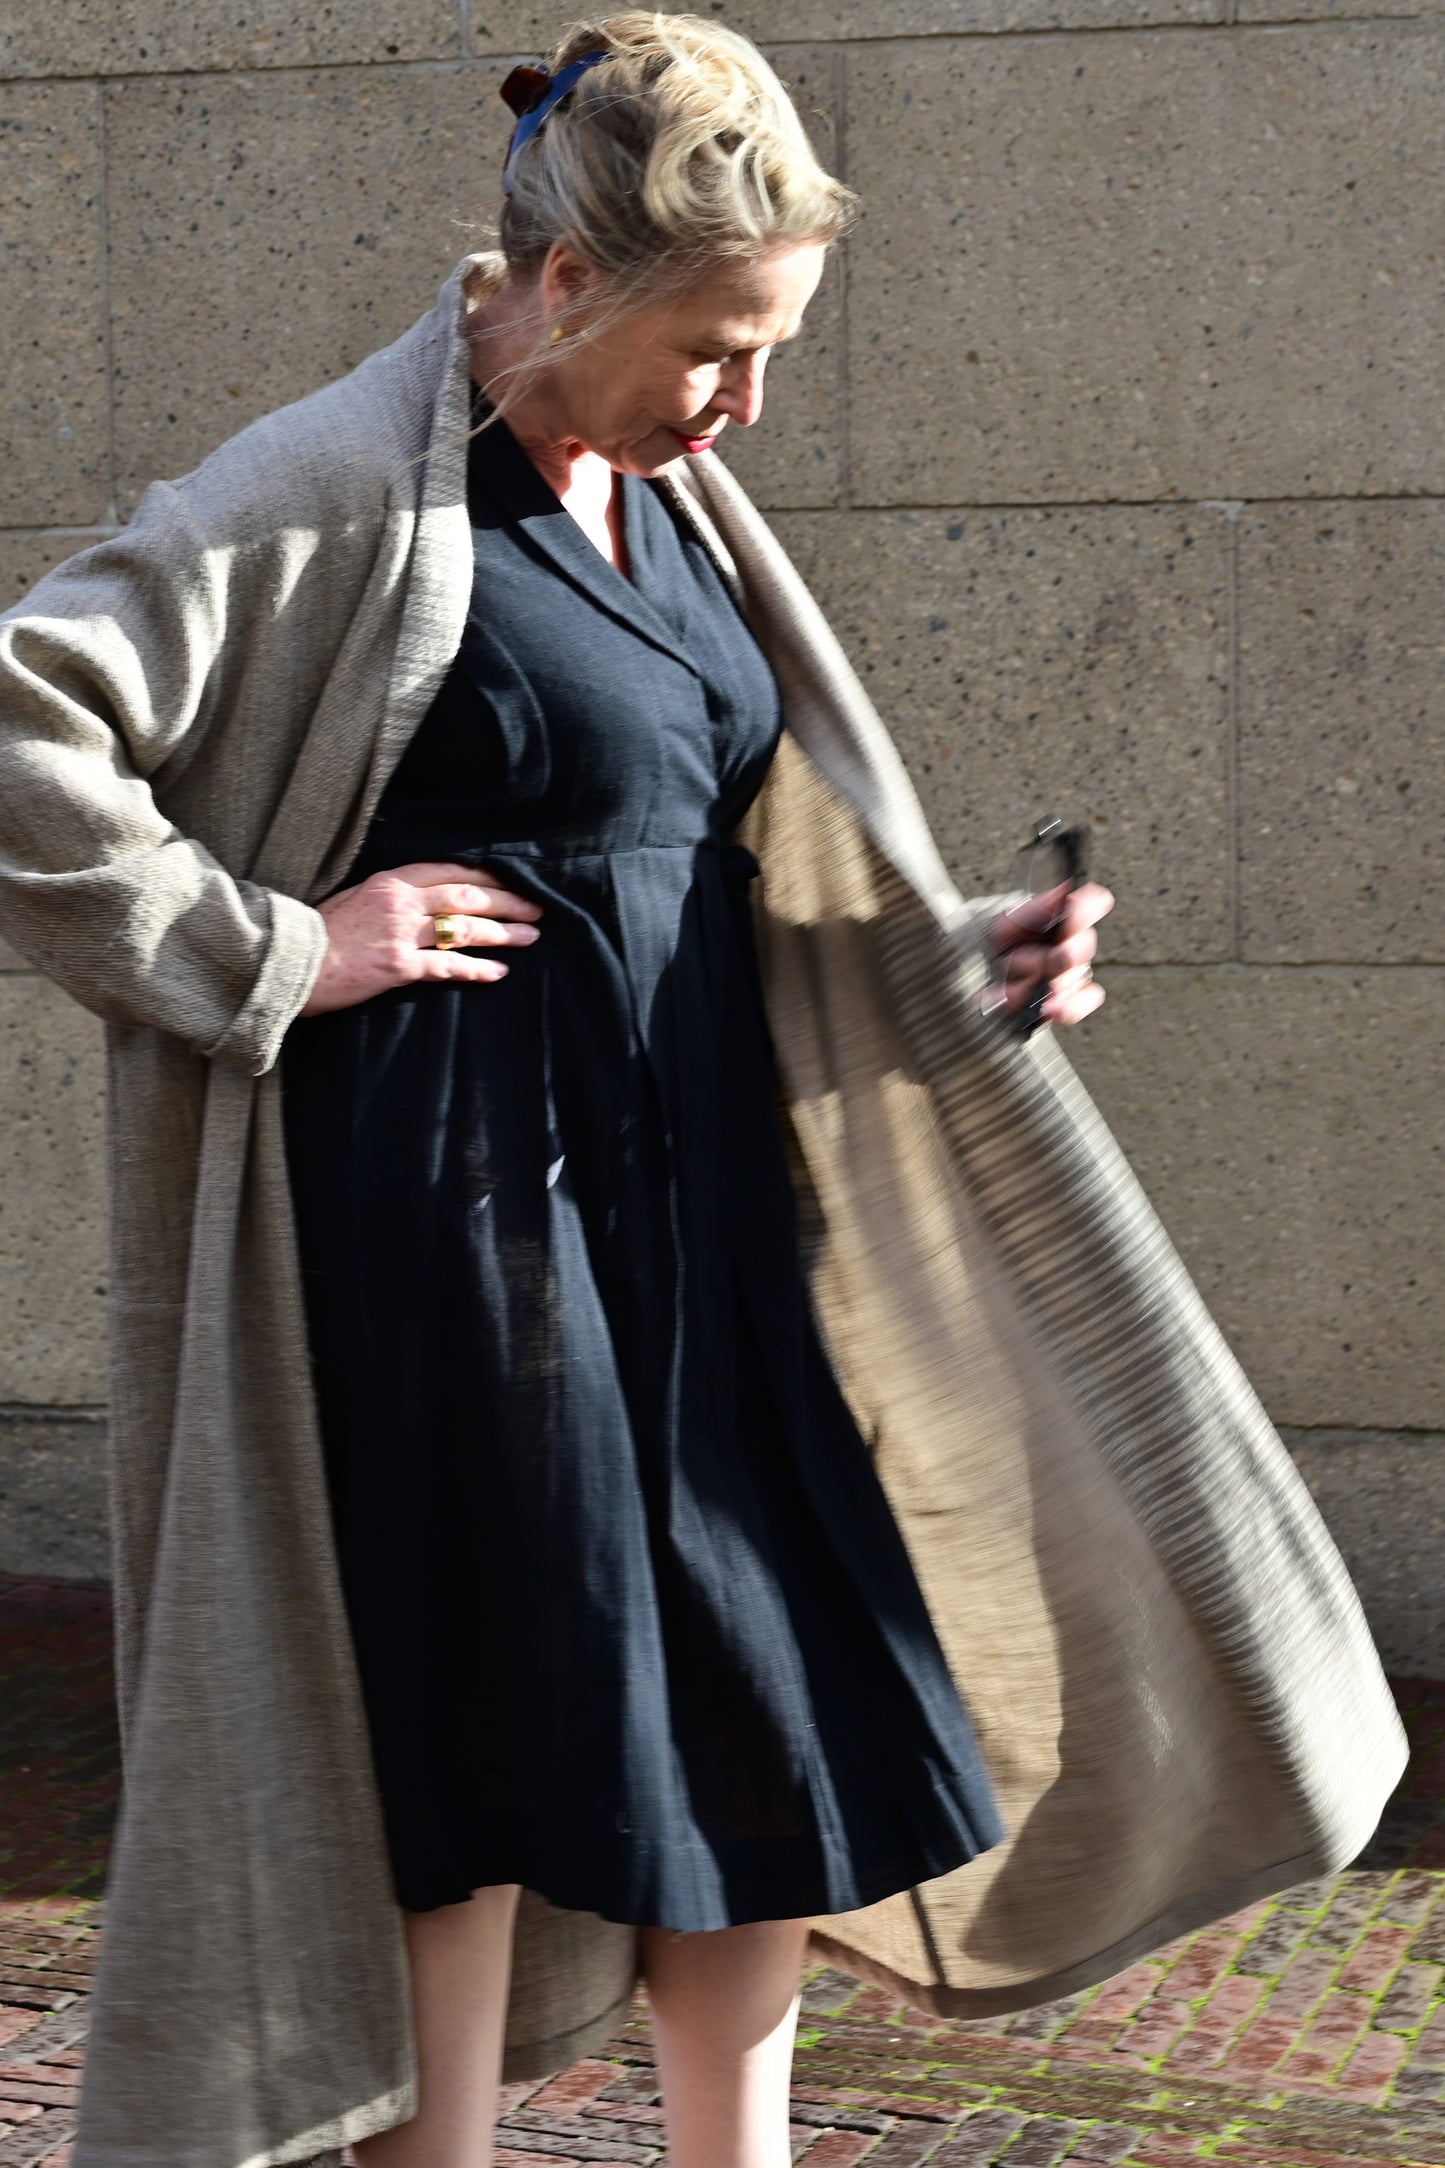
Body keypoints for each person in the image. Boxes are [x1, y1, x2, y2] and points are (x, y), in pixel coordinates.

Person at [0, 16, 1406, 2168]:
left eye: (774, 350)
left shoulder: (674, 499)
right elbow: (30, 717)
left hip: (708, 1227)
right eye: (716, 348)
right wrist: (278, 951)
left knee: (781, 1715)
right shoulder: (342, 482)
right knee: (467, 1767)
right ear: (564, 284)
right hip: (461, 1233)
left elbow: (708, 863)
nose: (746, 401)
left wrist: (948, 964)